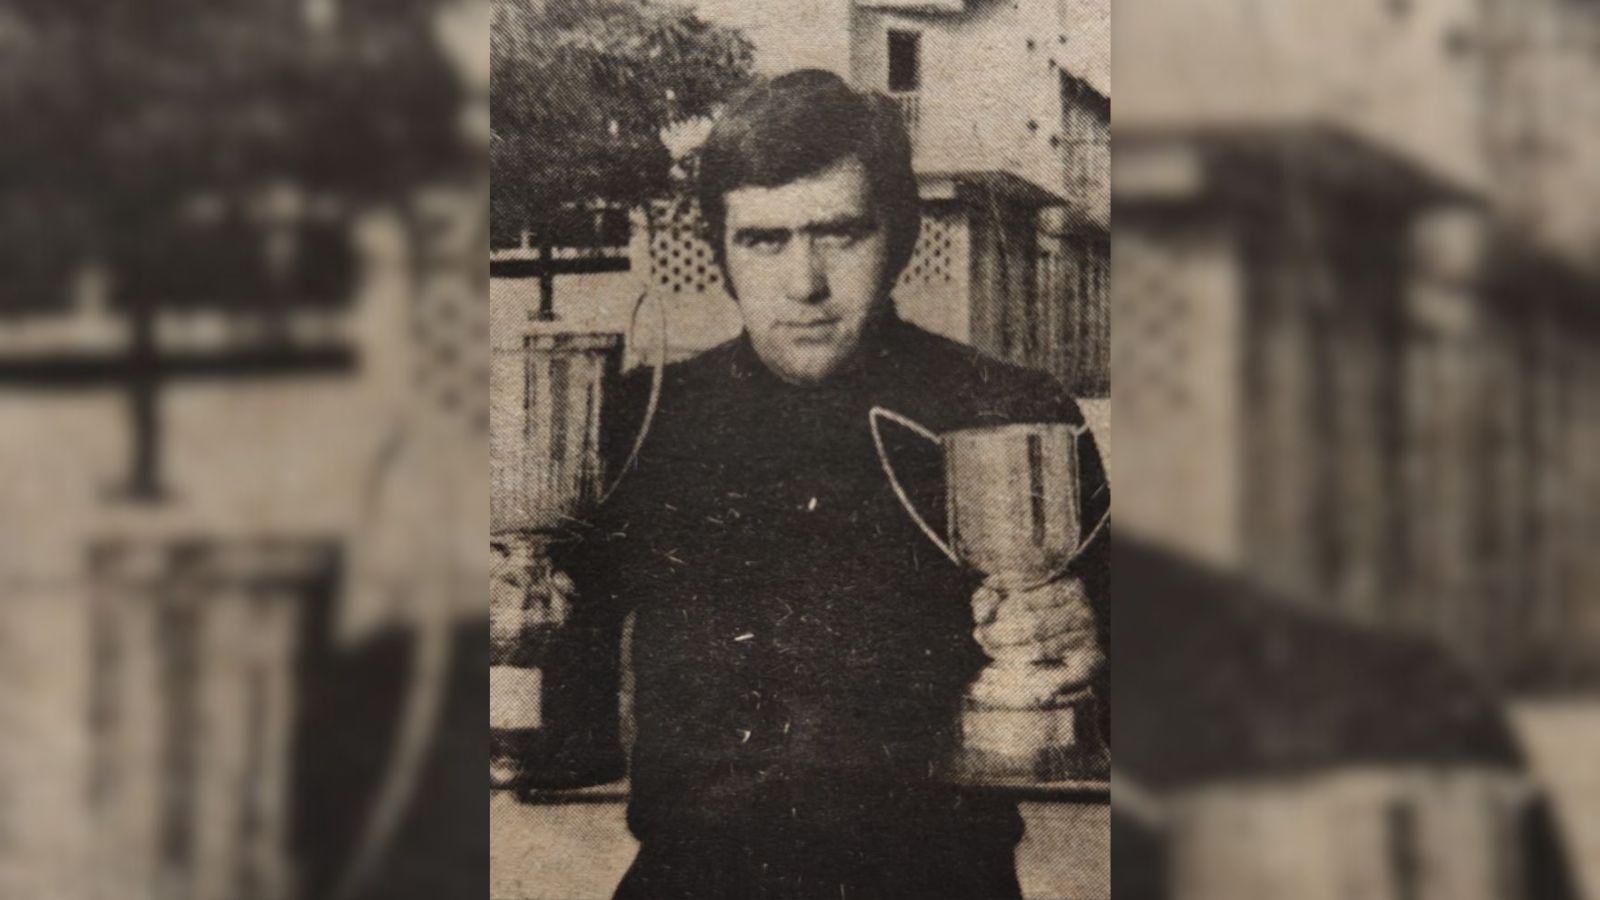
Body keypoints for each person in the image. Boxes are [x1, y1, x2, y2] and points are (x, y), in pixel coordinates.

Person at [549, 69, 1111, 899]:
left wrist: (1089, 644)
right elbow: (558, 736)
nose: (803, 283)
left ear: (900, 237)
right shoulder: (638, 423)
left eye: (839, 234)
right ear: (720, 249)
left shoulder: (1012, 411)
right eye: (764, 240)